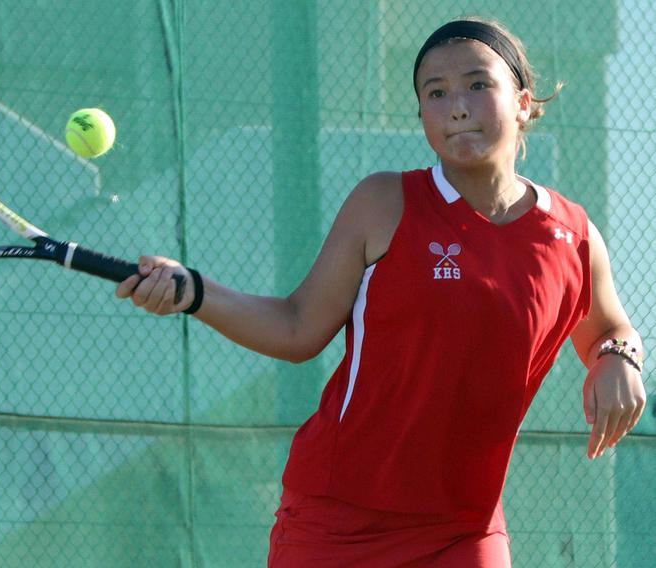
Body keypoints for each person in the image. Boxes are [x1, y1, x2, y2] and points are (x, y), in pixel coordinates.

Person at [115, 17, 646, 568]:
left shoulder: (572, 235)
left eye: (477, 84)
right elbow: (298, 327)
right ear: (422, 117)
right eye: (435, 93)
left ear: (522, 101)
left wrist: (619, 359)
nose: (456, 106)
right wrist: (194, 291)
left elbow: (612, 330)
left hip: (466, 532)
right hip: (335, 522)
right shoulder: (383, 203)